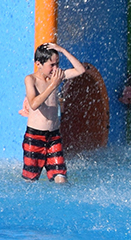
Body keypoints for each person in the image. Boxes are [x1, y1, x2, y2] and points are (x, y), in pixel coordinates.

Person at [21, 42, 86, 183]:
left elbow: (80, 70)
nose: (56, 69)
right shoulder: (31, 79)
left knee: (61, 179)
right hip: (35, 136)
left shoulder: (56, 76)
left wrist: (63, 50)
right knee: (30, 180)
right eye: (52, 65)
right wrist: (53, 85)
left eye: (57, 64)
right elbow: (34, 103)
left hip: (54, 136)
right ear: (38, 63)